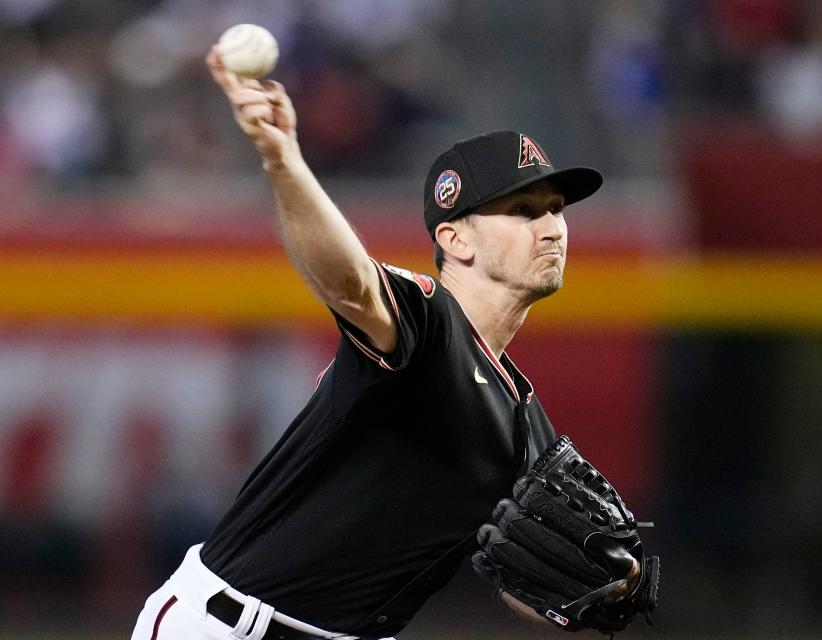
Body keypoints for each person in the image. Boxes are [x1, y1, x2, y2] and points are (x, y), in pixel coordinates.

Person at [131, 44, 623, 640]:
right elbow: (352, 283)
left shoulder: (525, 423)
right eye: (522, 210)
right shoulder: (429, 321)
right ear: (455, 239)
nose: (551, 226)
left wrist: (603, 583)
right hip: (232, 627)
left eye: (556, 209)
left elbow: (520, 580)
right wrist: (283, 159)